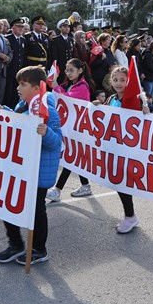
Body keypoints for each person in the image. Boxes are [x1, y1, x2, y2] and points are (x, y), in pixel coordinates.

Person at [0, 66, 62, 265]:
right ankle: (15, 244)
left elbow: (57, 141)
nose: (18, 88)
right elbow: (19, 123)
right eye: (18, 83)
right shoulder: (24, 104)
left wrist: (45, 132)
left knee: (36, 210)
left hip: (38, 170)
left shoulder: (46, 107)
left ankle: (39, 249)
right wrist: (5, 111)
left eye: (22, 84)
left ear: (36, 87)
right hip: (21, 166)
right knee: (9, 203)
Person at [99, 65, 151, 233]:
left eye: (123, 80)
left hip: (127, 150)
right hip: (113, 148)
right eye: (115, 80)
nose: (119, 83)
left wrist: (145, 111)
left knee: (122, 183)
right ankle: (130, 216)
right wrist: (97, 106)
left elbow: (143, 120)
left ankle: (130, 216)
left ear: (129, 81)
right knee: (118, 181)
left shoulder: (134, 100)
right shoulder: (112, 98)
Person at [47, 58, 94, 201]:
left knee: (71, 156)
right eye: (67, 70)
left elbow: (67, 100)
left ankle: (58, 189)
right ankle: (85, 185)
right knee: (74, 156)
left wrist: (55, 87)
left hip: (78, 128)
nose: (68, 73)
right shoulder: (71, 84)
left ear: (80, 70)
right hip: (71, 126)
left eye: (72, 70)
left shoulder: (82, 87)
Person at [4, 17, 27, 109]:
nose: (21, 29)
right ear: (13, 27)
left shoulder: (23, 40)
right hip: (9, 69)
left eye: (22, 27)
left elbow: (23, 55)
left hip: (19, 69)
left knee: (16, 92)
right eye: (18, 27)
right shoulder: (7, 39)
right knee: (8, 91)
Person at [50, 19, 75, 84]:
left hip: (69, 67)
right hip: (60, 67)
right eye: (64, 26)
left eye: (68, 27)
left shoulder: (71, 40)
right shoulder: (55, 40)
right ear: (60, 28)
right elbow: (54, 56)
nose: (67, 28)